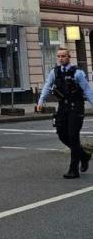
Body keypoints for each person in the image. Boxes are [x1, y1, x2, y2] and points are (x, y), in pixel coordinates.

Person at [37, 47, 93, 179]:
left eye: (63, 56)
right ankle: (84, 155)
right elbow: (47, 86)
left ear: (69, 57)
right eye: (59, 56)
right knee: (62, 135)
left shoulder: (77, 73)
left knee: (73, 136)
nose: (61, 59)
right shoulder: (54, 72)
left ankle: (73, 169)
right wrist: (41, 101)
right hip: (62, 108)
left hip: (75, 107)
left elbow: (87, 91)